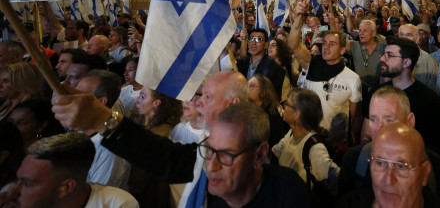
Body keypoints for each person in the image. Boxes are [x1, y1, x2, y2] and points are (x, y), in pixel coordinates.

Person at [51, 71, 311, 207]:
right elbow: (163, 157)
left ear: (260, 156)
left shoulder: (288, 193)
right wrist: (102, 120)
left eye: (206, 97)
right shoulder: (206, 158)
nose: (211, 166)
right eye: (209, 152)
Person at [338, 85, 440, 199]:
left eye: (389, 120)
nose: (379, 128)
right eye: (373, 119)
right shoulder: (354, 159)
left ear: (410, 122)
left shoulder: (434, 166)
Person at [289, 0, 362, 145]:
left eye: (332, 44)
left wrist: (354, 138)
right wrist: (297, 16)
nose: (326, 47)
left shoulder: (353, 79)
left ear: (342, 50)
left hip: (336, 142)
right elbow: (293, 44)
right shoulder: (311, 63)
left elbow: (355, 117)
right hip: (306, 138)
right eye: (324, 43)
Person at [337, 123, 440, 208]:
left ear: (425, 173)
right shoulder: (349, 204)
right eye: (380, 163)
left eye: (402, 166)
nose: (389, 180)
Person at [4, 132, 138, 207]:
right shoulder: (8, 197)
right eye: (19, 180)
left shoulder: (116, 204)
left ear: (66, 187)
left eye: (28, 184)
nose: (13, 192)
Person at [373, 37, 440, 153]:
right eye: (384, 54)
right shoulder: (377, 93)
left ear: (406, 62)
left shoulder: (429, 101)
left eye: (389, 55)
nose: (382, 58)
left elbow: (432, 148)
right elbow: (366, 135)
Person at [272, 88, 340, 188]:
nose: (283, 106)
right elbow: (275, 153)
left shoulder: (314, 147)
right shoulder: (291, 133)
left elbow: (336, 177)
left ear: (297, 114)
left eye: (287, 104)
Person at [75, 71, 130, 191]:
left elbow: (98, 194)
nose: (72, 98)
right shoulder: (81, 130)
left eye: (80, 94)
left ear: (100, 102)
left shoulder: (111, 149)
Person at [238, 28, 286, 99]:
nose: (253, 43)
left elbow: (275, 98)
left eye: (258, 39)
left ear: (266, 45)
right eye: (251, 39)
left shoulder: (275, 68)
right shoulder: (241, 64)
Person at [248, 74, 288, 148]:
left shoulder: (272, 116)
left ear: (263, 93)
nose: (247, 89)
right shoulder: (248, 111)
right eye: (246, 85)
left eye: (252, 86)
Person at [346, 19, 385, 94]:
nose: (361, 33)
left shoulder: (384, 48)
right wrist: (331, 23)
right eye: (360, 30)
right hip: (359, 93)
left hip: (379, 92)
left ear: (373, 33)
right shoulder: (354, 45)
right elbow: (338, 41)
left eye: (365, 31)